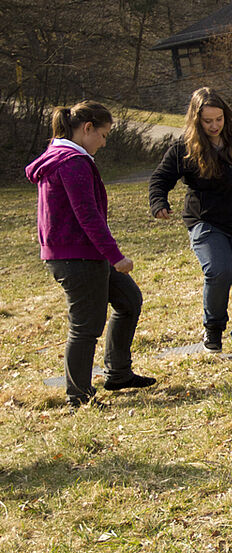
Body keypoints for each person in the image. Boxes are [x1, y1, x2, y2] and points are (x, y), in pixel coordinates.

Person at [25, 101, 156, 407]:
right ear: (87, 129)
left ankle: (118, 373)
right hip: (77, 257)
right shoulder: (72, 162)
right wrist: (116, 256)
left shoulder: (62, 157)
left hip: (83, 254)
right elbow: (88, 215)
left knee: (129, 300)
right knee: (86, 327)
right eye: (103, 134)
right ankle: (79, 396)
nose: (104, 142)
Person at [149, 88, 232, 356]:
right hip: (206, 221)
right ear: (196, 120)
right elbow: (160, 179)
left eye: (219, 119)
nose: (214, 126)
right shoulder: (185, 148)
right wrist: (158, 202)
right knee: (219, 271)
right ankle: (213, 329)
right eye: (207, 121)